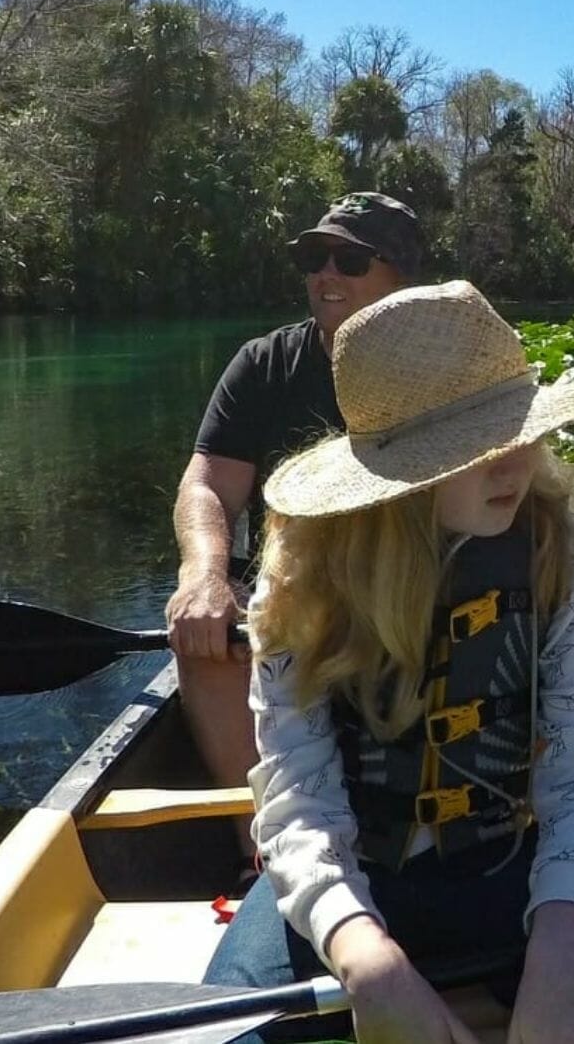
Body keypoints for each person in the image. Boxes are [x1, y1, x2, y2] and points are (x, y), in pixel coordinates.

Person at [202, 280, 574, 1044]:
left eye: (519, 432)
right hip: (353, 871)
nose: (512, 466)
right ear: (401, 470)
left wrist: (563, 947)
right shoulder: (301, 582)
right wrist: (364, 958)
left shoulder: (568, 557)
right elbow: (299, 796)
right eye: (476, 449)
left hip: (520, 864)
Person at [167, 192, 422, 798]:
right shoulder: (262, 366)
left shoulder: (438, 372)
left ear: (402, 278)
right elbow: (206, 483)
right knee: (207, 640)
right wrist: (203, 574)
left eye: (351, 260)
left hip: (411, 589)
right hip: (290, 605)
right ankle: (253, 848)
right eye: (314, 256)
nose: (326, 273)